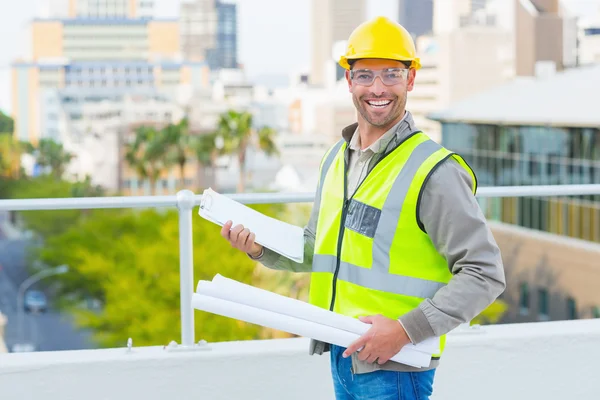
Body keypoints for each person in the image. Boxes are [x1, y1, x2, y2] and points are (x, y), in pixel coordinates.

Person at [220, 16, 506, 400]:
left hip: (398, 363)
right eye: (365, 75)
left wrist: (405, 330)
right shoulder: (337, 158)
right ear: (348, 81)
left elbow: (485, 273)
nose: (377, 88)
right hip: (344, 353)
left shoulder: (435, 171)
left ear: (411, 79)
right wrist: (259, 247)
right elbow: (320, 247)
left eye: (391, 74)